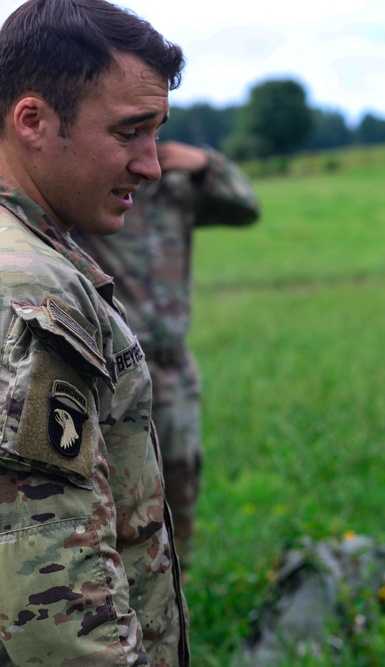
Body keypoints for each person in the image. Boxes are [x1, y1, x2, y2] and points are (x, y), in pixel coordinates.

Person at [0, 0, 189, 663]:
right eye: (129, 132)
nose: (152, 165)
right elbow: (55, 612)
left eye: (157, 132)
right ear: (33, 121)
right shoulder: (34, 291)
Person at [74, 140, 261, 563]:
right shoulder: (99, 189)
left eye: (155, 131)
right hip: (113, 366)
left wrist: (207, 163)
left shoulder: (177, 188)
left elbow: (246, 208)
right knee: (114, 489)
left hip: (173, 366)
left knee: (180, 478)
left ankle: (178, 580)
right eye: (133, 130)